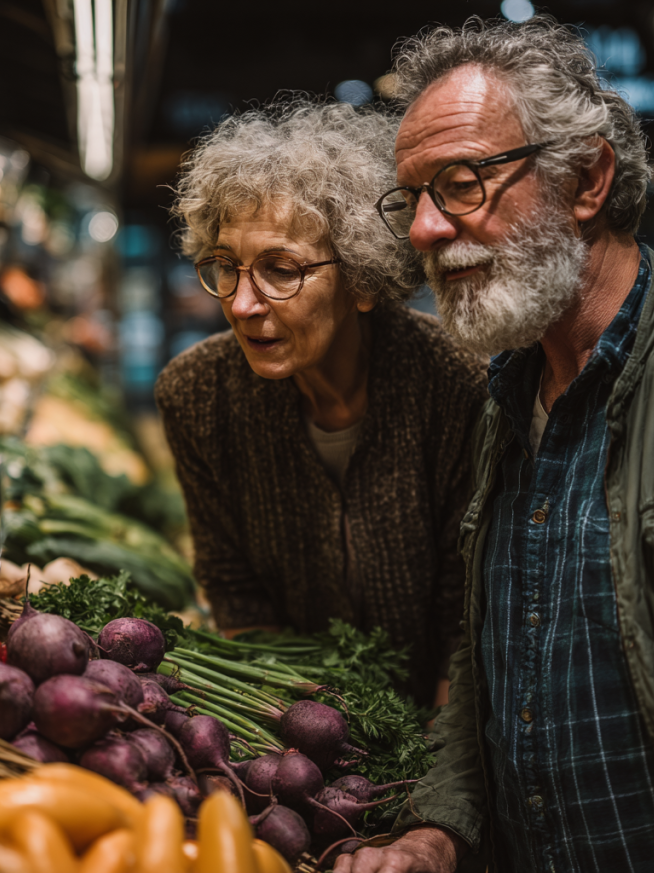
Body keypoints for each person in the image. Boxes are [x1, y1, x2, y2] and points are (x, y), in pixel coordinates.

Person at [337, 15, 654, 873]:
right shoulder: (503, 400)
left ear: (585, 178)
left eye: (461, 183)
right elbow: (493, 657)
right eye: (413, 198)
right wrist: (440, 828)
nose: (426, 230)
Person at [155, 100, 487, 707]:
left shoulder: (455, 385)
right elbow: (235, 592)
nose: (243, 304)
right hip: (295, 717)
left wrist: (434, 763)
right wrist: (305, 727)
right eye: (226, 267)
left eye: (281, 270)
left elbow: (464, 612)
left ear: (362, 278)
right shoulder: (197, 395)